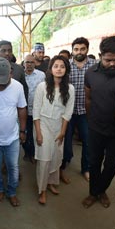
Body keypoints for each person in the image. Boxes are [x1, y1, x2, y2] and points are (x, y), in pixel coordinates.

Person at [82, 35, 115, 209]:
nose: (113, 63)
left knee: (111, 165)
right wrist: (91, 120)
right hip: (96, 128)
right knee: (94, 162)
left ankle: (101, 190)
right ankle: (93, 193)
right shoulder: (90, 74)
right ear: (100, 56)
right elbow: (88, 98)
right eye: (108, 60)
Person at [33, 55, 75, 204]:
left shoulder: (70, 88)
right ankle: (42, 190)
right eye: (56, 66)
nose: (59, 69)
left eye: (62, 66)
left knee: (56, 156)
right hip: (43, 124)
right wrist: (38, 133)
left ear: (66, 69)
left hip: (59, 126)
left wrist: (63, 131)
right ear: (50, 69)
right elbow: (36, 110)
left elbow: (68, 112)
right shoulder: (42, 86)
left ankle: (51, 183)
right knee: (44, 158)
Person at [0, 57, 27, 207]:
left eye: (2, 80)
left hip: (13, 138)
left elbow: (22, 108)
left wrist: (23, 130)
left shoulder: (18, 87)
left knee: (13, 167)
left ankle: (12, 192)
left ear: (11, 73)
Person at [60, 37, 96, 183]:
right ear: (72, 50)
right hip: (67, 112)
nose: (79, 52)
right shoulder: (65, 66)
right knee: (65, 141)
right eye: (76, 49)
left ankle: (86, 169)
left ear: (87, 49)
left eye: (82, 49)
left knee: (88, 142)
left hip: (87, 112)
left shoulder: (95, 66)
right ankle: (62, 167)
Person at [22, 54, 45, 163]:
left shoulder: (41, 75)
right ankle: (27, 152)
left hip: (38, 111)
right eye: (27, 62)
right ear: (23, 63)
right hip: (24, 111)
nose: (29, 64)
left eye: (32, 62)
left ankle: (34, 154)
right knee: (25, 133)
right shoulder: (20, 75)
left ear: (35, 63)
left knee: (36, 133)